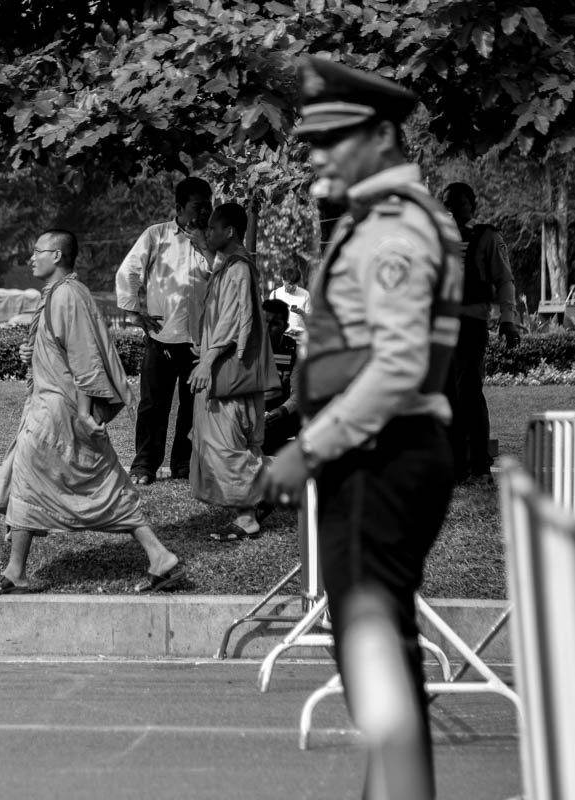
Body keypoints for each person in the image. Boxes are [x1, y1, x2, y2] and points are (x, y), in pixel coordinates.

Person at [260, 56, 464, 799]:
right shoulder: (381, 219)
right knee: (373, 650)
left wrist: (305, 451)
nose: (314, 155)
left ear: (381, 135)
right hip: (380, 453)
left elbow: (398, 366)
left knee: (375, 648)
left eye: (331, 138)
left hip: (386, 456)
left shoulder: (396, 228)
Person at [0, 229, 185, 596]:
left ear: (56, 255)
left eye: (36, 251)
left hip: (60, 408)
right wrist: (32, 354)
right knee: (103, 482)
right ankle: (160, 555)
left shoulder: (68, 294)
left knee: (28, 474)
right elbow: (59, 348)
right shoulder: (60, 294)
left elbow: (85, 359)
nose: (31, 258)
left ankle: (16, 572)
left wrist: (86, 413)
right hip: (51, 403)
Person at [188, 203, 279, 541]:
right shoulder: (229, 265)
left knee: (225, 447)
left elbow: (232, 319)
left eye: (212, 228)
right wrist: (200, 242)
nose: (208, 233)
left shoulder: (238, 268)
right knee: (230, 444)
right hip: (229, 372)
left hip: (228, 373)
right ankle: (252, 506)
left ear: (229, 232)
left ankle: (251, 511)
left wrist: (208, 361)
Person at [115, 177, 213, 485]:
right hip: (161, 338)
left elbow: (226, 273)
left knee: (192, 407)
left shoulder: (213, 239)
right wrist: (134, 313)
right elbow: (129, 271)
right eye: (198, 206)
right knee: (153, 407)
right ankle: (145, 465)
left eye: (208, 205)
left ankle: (183, 463)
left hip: (200, 342)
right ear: (180, 207)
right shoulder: (156, 235)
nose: (204, 211)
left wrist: (203, 243)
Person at [439, 181, 520, 486]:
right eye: (446, 203)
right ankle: (457, 466)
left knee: (468, 393)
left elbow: (504, 281)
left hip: (471, 326)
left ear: (471, 206)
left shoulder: (487, 237)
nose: (451, 209)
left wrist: (508, 320)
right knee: (446, 396)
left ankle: (480, 466)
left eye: (458, 203)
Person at [261, 298, 301, 454]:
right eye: (264, 321)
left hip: (278, 413)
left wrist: (282, 410)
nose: (267, 328)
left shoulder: (293, 350)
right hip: (249, 414)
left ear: (286, 327)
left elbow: (299, 391)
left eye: (275, 324)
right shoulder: (246, 347)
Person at [269, 262, 310, 339]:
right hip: (280, 338)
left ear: (297, 282)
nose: (290, 287)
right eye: (288, 284)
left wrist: (301, 312)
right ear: (283, 280)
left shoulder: (305, 295)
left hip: (300, 337)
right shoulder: (275, 294)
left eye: (293, 284)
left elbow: (311, 320)